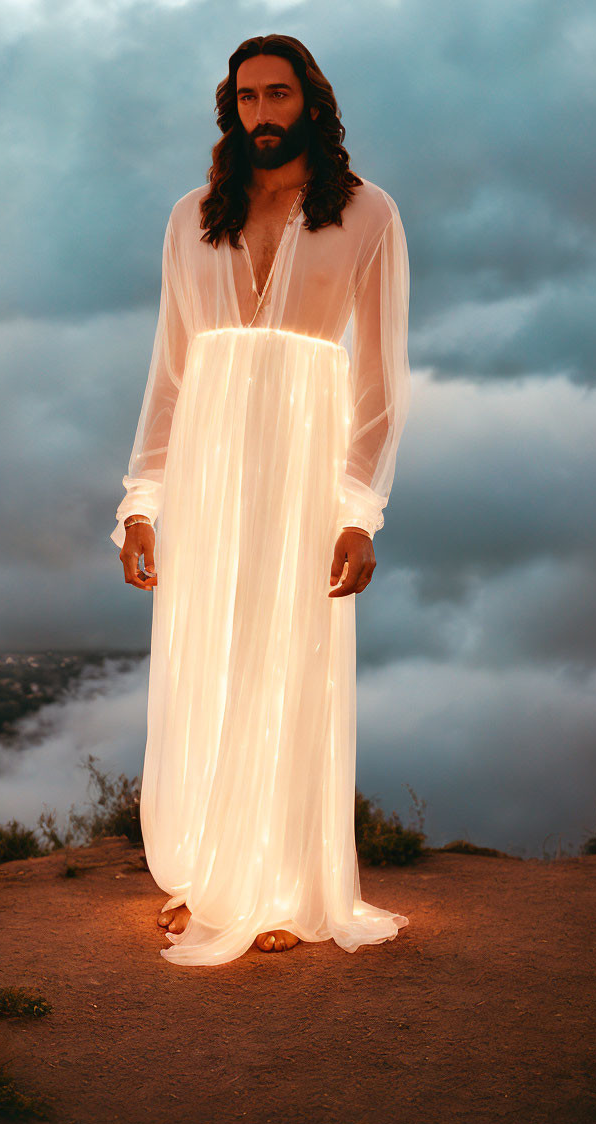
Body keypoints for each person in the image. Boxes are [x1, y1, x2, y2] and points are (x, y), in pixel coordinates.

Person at [110, 34, 412, 966]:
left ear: (311, 102)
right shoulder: (191, 215)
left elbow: (380, 385)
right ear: (229, 108)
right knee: (205, 660)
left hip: (302, 469)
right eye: (247, 98)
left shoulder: (367, 215)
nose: (262, 114)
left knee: (289, 663)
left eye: (278, 95)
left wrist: (358, 512)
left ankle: (284, 886)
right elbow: (168, 372)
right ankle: (209, 878)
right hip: (205, 465)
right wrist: (139, 502)